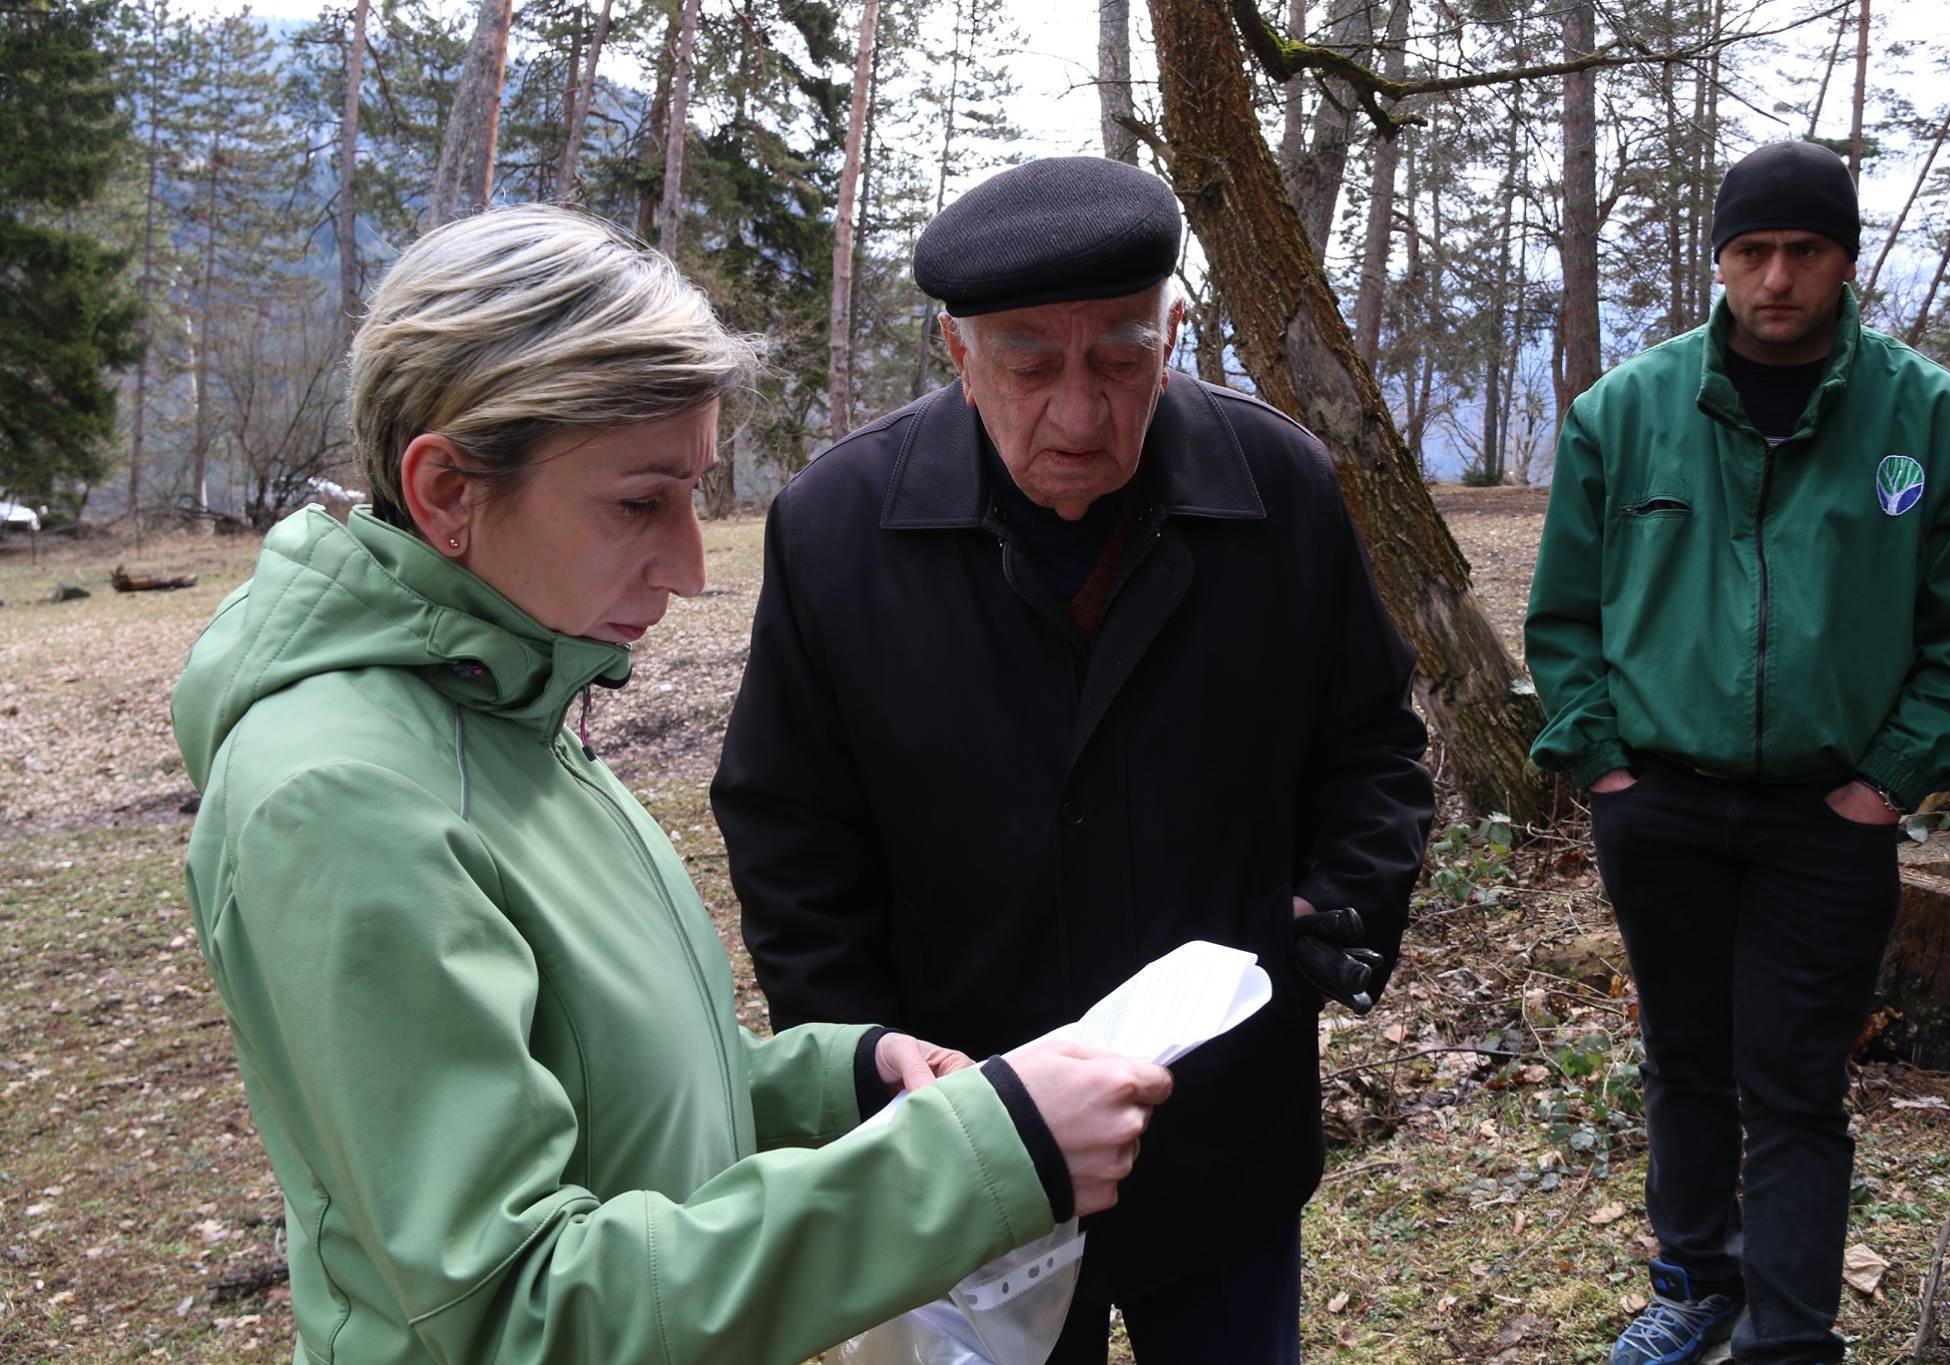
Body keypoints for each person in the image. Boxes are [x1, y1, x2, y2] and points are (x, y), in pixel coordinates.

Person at [170, 204, 1174, 1365]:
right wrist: (983, 1159)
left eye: (694, 493)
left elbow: (613, 1087)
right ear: (445, 493)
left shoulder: (505, 710)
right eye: (638, 502)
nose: (692, 566)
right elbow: (515, 1312)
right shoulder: (343, 800)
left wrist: (839, 1082)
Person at [710, 156, 1434, 1364]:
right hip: (965, 1135)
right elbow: (788, 826)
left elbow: (1371, 745)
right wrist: (859, 1068)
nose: (1080, 414)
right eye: (1030, 365)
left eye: (1119, 359)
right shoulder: (839, 527)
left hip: (1219, 1122)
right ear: (956, 352)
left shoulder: (1278, 490)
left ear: (1173, 335)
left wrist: (1326, 921)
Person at [1525, 140, 1950, 1365]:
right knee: (1682, 1060)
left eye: (1804, 250)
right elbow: (1564, 616)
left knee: (1796, 1084)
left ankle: (1790, 1336)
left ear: (1845, 260)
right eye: (1750, 251)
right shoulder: (1623, 414)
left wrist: (1885, 781)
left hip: (1828, 814)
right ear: (1719, 260)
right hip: (1659, 802)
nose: (1777, 278)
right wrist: (1602, 765)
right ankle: (1693, 1283)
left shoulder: (1938, 425)